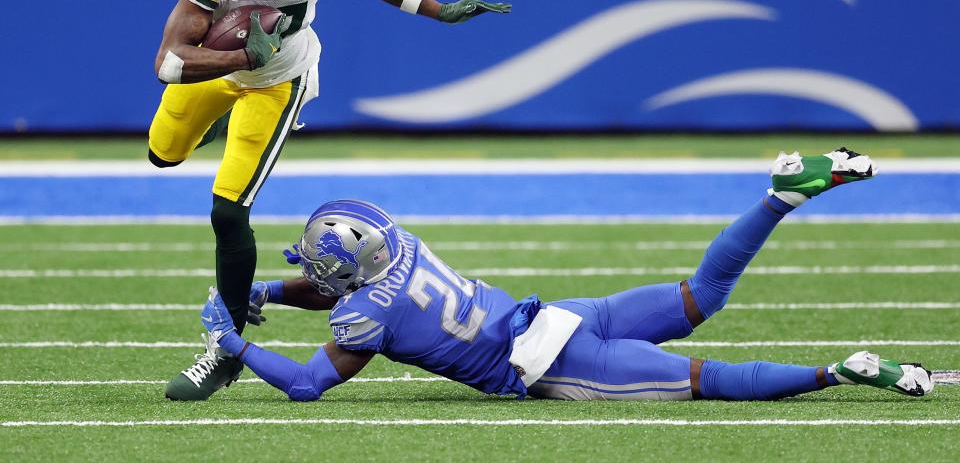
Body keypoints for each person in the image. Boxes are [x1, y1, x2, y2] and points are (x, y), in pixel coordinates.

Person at [153, 0, 511, 401]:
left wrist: (437, 9)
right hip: (223, 69)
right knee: (163, 154)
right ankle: (229, 121)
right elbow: (169, 62)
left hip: (279, 81)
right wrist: (240, 56)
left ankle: (223, 354)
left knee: (228, 211)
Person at [195, 148, 935, 401]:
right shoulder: (405, 247)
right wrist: (260, 293)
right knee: (700, 295)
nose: (315, 274)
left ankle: (837, 372)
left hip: (548, 360)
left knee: (715, 380)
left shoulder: (363, 318)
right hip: (555, 314)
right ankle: (779, 194)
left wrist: (236, 344)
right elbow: (337, 286)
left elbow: (305, 383)